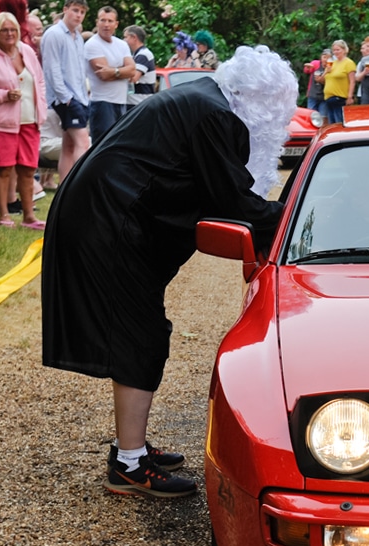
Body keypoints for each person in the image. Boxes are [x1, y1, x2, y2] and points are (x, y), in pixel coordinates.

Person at [42, 45, 298, 498]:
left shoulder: (204, 97)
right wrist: (294, 216)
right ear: (258, 99)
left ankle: (132, 448)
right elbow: (232, 199)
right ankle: (128, 465)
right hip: (109, 220)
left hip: (106, 211)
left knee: (142, 330)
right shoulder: (214, 114)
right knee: (138, 334)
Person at [0, 11, 46, 228]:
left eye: (13, 29)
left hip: (29, 120)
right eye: (4, 30)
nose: (9, 34)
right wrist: (3, 95)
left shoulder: (28, 52)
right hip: (0, 122)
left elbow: (39, 81)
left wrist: (41, 105)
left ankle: (29, 216)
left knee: (28, 169)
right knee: (3, 168)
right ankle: (3, 215)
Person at [41, 0, 89, 181]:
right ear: (65, 10)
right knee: (83, 142)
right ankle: (79, 186)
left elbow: (78, 69)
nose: (78, 15)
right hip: (66, 98)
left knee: (68, 146)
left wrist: (83, 96)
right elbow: (51, 69)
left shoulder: (77, 36)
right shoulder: (54, 34)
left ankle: (65, 188)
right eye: (75, 10)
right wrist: (66, 98)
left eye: (82, 12)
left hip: (80, 96)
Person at [84, 5, 136, 146]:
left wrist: (114, 71)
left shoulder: (122, 45)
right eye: (103, 20)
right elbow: (104, 76)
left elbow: (133, 70)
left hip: (121, 102)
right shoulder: (92, 44)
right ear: (97, 22)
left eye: (110, 21)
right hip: (102, 103)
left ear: (116, 24)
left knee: (119, 145)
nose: (106, 25)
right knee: (102, 147)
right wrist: (123, 71)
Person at [315, 39, 354, 123]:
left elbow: (352, 81)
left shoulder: (348, 63)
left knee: (338, 122)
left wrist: (350, 96)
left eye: (338, 50)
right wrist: (326, 71)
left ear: (344, 50)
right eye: (334, 50)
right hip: (328, 98)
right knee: (331, 123)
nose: (336, 52)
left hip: (339, 97)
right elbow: (322, 80)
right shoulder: (332, 63)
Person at [123, 24, 154, 110]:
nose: (123, 40)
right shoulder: (136, 55)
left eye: (126, 37)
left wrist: (116, 72)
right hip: (136, 104)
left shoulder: (143, 55)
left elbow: (133, 78)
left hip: (139, 104)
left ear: (134, 38)